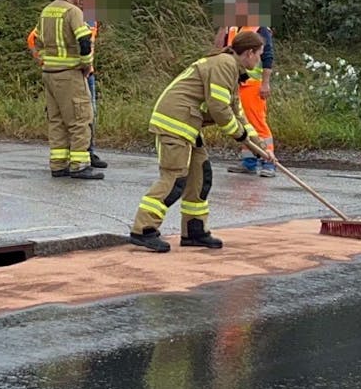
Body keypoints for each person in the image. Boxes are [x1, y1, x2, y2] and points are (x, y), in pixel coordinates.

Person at [129, 30, 264, 253]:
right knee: (175, 178)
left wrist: (258, 146)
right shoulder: (224, 65)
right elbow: (219, 109)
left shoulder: (232, 70)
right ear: (249, 53)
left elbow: (236, 113)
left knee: (201, 176)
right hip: (175, 123)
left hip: (188, 126)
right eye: (259, 54)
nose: (259, 59)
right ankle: (143, 230)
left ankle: (194, 231)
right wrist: (241, 138)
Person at [35, 0, 102, 180]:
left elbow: (37, 41)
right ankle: (80, 164)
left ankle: (58, 164)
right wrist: (85, 65)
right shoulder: (73, 12)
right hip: (69, 74)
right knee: (80, 118)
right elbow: (84, 40)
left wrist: (47, 60)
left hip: (49, 74)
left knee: (56, 120)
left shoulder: (46, 11)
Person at [28, 17, 106, 168]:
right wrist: (44, 61)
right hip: (70, 73)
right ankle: (73, 157)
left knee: (89, 114)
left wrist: (88, 65)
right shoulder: (69, 16)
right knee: (72, 115)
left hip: (85, 73)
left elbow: (88, 44)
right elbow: (33, 40)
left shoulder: (92, 20)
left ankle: (87, 152)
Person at [216, 24, 276, 176]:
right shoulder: (233, 28)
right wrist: (222, 29)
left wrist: (265, 83)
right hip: (236, 82)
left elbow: (267, 56)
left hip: (253, 84)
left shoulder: (259, 28)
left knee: (257, 122)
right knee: (244, 122)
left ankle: (268, 162)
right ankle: (249, 162)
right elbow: (219, 50)